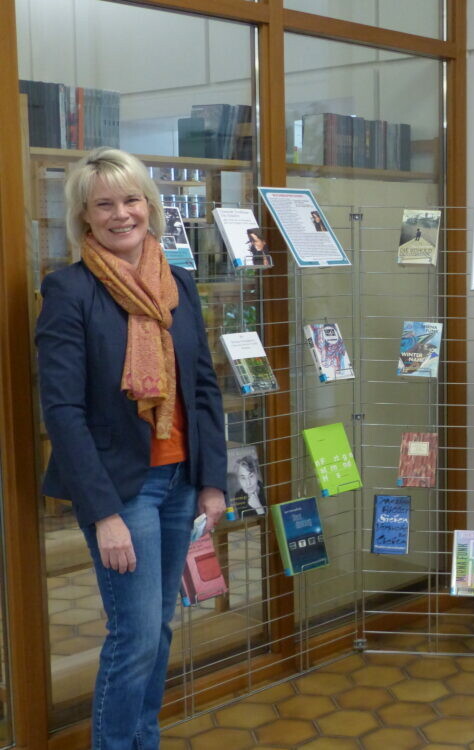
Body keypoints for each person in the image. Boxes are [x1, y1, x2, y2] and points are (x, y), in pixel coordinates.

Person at [36, 147, 228, 750]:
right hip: (124, 491)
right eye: (104, 204)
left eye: (131, 199)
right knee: (136, 634)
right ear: (84, 217)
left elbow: (202, 387)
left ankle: (143, 739)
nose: (122, 214)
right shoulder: (69, 290)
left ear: (150, 205)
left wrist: (214, 481)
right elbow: (63, 412)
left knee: (159, 629)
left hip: (179, 483)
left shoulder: (180, 286)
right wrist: (104, 514)